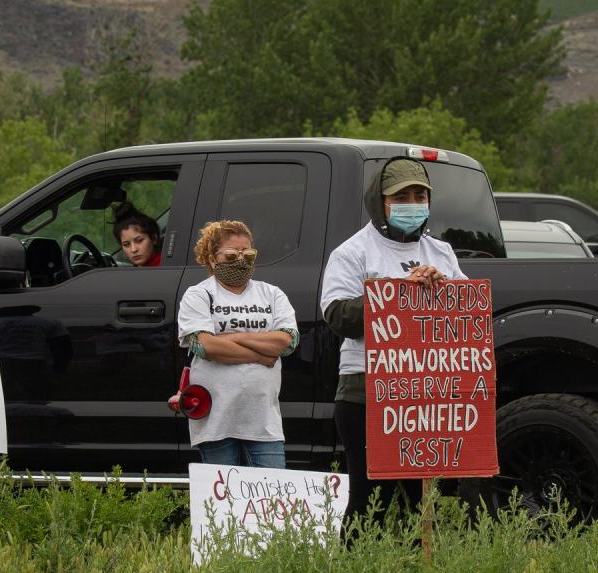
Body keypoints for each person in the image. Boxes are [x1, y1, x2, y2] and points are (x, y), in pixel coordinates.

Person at [319, 157, 467, 526]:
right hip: (365, 389)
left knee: (424, 501)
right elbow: (337, 316)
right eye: (401, 196)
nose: (412, 204)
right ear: (380, 201)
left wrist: (442, 288)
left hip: (426, 390)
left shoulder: (442, 253)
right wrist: (396, 294)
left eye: (420, 195)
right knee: (371, 499)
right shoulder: (353, 252)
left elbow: (467, 315)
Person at [176, 220, 299, 468]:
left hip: (264, 422)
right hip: (216, 422)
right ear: (212, 259)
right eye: (232, 255)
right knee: (223, 503)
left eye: (248, 254)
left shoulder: (272, 294)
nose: (241, 261)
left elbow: (286, 342)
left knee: (271, 498)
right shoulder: (198, 294)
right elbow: (204, 346)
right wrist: (261, 354)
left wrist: (232, 337)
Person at [112, 202, 162, 267]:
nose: (134, 249)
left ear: (154, 238)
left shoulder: (166, 266)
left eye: (139, 241)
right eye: (126, 245)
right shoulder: (134, 271)